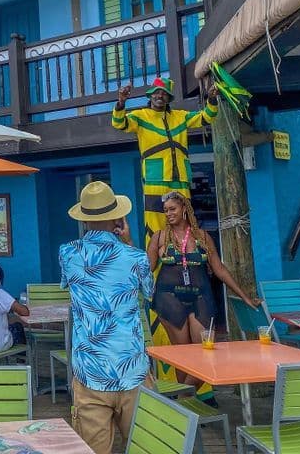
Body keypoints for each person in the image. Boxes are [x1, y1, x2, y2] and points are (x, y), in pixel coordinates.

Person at [112, 76, 218, 398]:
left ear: (169, 97)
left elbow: (206, 117)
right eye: (156, 93)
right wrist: (120, 101)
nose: (160, 96)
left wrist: (212, 98)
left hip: (180, 189)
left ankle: (198, 384)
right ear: (150, 97)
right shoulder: (142, 118)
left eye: (164, 93)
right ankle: (173, 379)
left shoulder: (180, 116)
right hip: (154, 196)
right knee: (158, 256)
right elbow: (120, 123)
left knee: (189, 251)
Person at [59, 181, 154, 454]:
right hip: (132, 369)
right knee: (144, 447)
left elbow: (68, 283)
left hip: (90, 371)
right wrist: (129, 243)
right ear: (118, 218)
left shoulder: (67, 253)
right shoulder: (135, 257)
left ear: (84, 219)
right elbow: (149, 292)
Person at [148, 191, 259, 387]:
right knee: (183, 357)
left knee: (205, 355)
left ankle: (182, 401)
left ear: (184, 209)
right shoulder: (159, 238)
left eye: (172, 209)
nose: (168, 214)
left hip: (201, 298)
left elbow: (220, 269)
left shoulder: (202, 237)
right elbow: (144, 271)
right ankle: (187, 409)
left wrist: (244, 296)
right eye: (165, 211)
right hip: (169, 299)